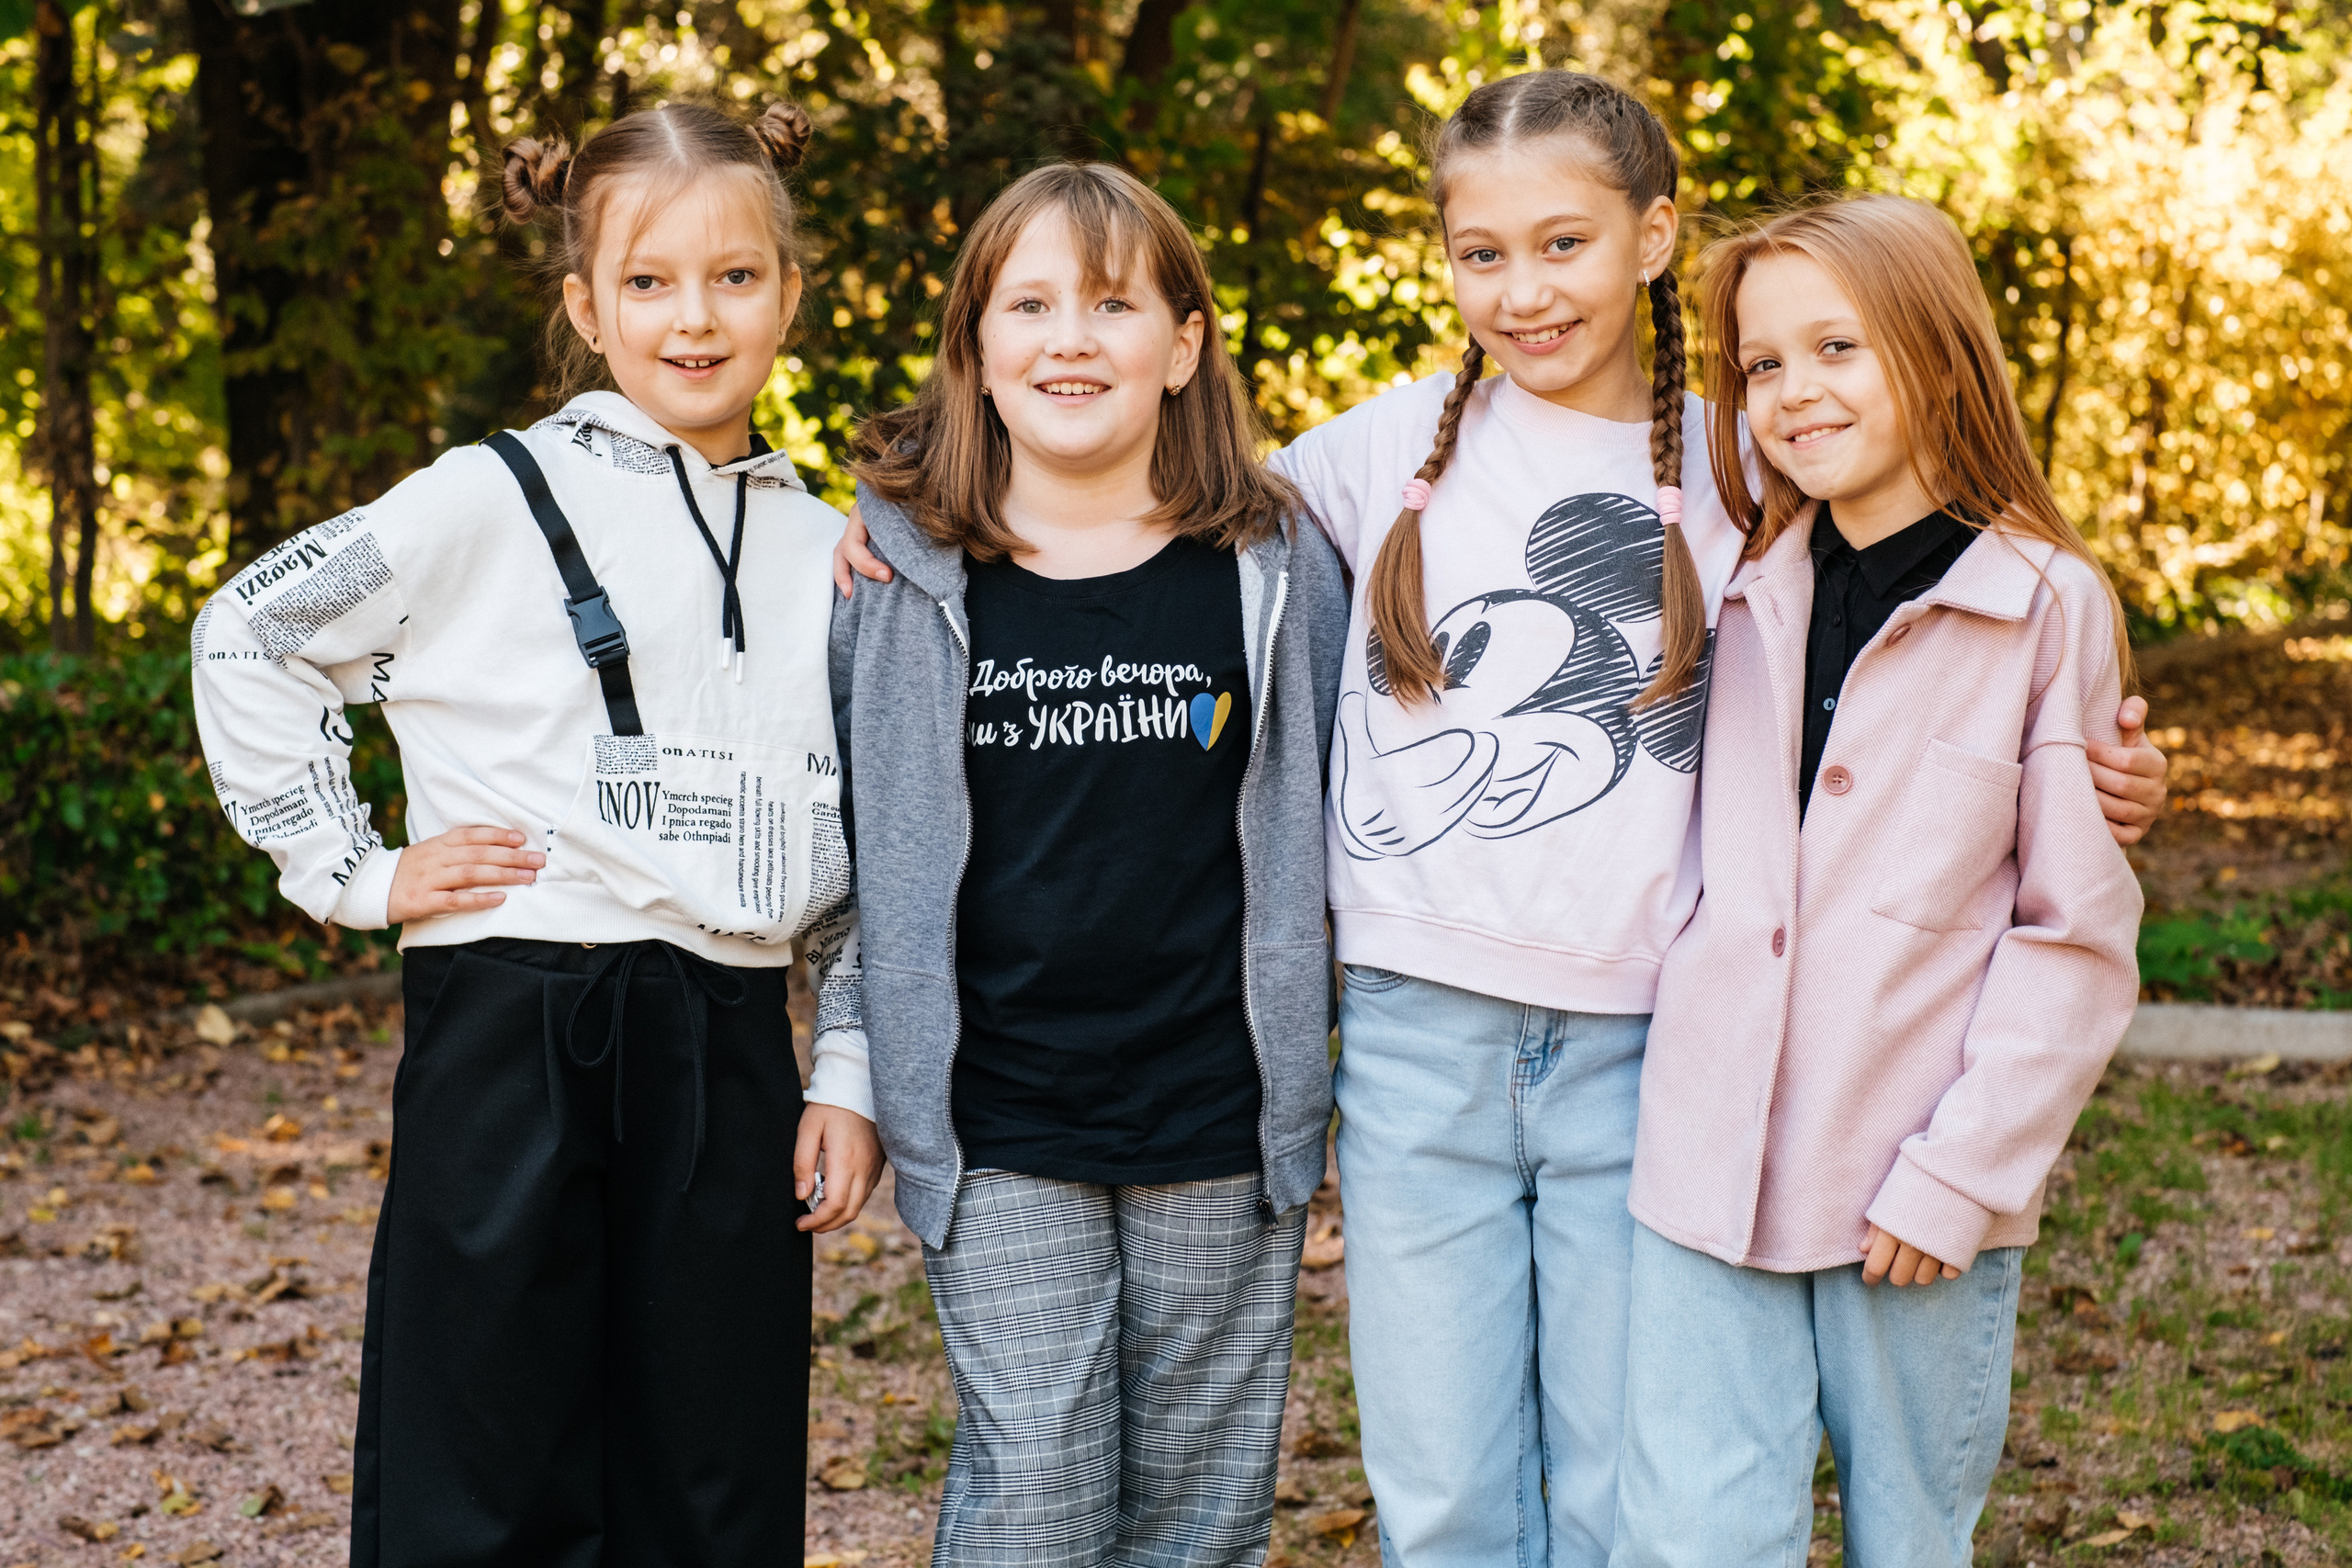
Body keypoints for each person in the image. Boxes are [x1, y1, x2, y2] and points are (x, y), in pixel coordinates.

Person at [831, 71, 2167, 1567]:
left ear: (1655, 237)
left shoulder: (1754, 458)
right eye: (1483, 254)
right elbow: (1133, 522)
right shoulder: (1374, 458)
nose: (1524, 291)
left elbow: (1918, 630)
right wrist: (906, 521)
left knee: (1621, 1489)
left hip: (1646, 1049)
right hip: (1414, 1044)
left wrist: (2101, 767)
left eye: (1566, 244)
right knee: (1446, 1493)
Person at [190, 99, 880, 1568]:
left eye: (734, 277)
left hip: (729, 1037)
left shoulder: (836, 548)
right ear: (583, 303)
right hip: (515, 1019)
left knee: (716, 1474)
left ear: (790, 292)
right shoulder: (485, 499)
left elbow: (873, 841)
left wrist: (852, 1072)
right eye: (647, 283)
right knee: (483, 1465)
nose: (693, 319)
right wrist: (358, 871)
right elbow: (248, 631)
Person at [1611, 193, 2144, 1568]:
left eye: (1836, 348)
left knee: (1909, 1535)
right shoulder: (1735, 578)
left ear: (1937, 353)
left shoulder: (2045, 602)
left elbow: (2072, 935)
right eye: (1764, 364)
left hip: (1908, 1174)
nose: (1793, 393)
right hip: (1704, 1159)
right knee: (1688, 1533)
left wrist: (1959, 1174)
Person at [828, 161, 1347, 1568]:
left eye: (1114, 304)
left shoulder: (1280, 566)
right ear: (976, 353)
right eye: (1032, 305)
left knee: (1199, 1508)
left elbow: (1343, 813)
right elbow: (859, 858)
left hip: (1218, 1118)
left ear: (1182, 348)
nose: (1070, 337)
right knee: (1041, 1493)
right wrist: (849, 1069)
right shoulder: (901, 578)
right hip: (999, 1117)